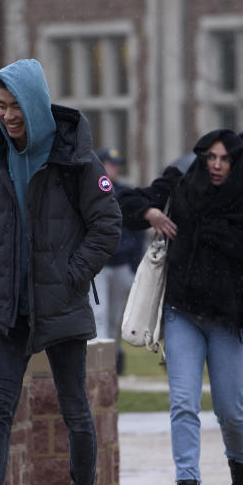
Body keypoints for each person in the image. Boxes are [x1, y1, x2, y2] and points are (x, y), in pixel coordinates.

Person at [0, 58, 121, 485]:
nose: (7, 116)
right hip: (12, 307)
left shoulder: (76, 159)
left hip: (62, 304)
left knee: (74, 409)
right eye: (0, 106)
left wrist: (72, 276)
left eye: (15, 107)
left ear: (34, 103)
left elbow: (107, 224)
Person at [120, 129, 243, 485]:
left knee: (231, 410)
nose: (217, 165)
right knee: (183, 403)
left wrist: (218, 234)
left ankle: (240, 466)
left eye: (224, 159)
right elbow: (125, 200)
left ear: (236, 161)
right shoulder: (180, 183)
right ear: (202, 158)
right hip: (182, 312)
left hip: (227, 318)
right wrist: (150, 212)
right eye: (210, 157)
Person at [93, 146, 144, 373]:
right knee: (99, 314)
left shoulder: (125, 193)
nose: (114, 169)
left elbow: (137, 231)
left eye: (116, 165)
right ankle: (99, 364)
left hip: (122, 263)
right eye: (110, 164)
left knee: (115, 318)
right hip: (99, 265)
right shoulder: (91, 191)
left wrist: (134, 264)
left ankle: (112, 360)